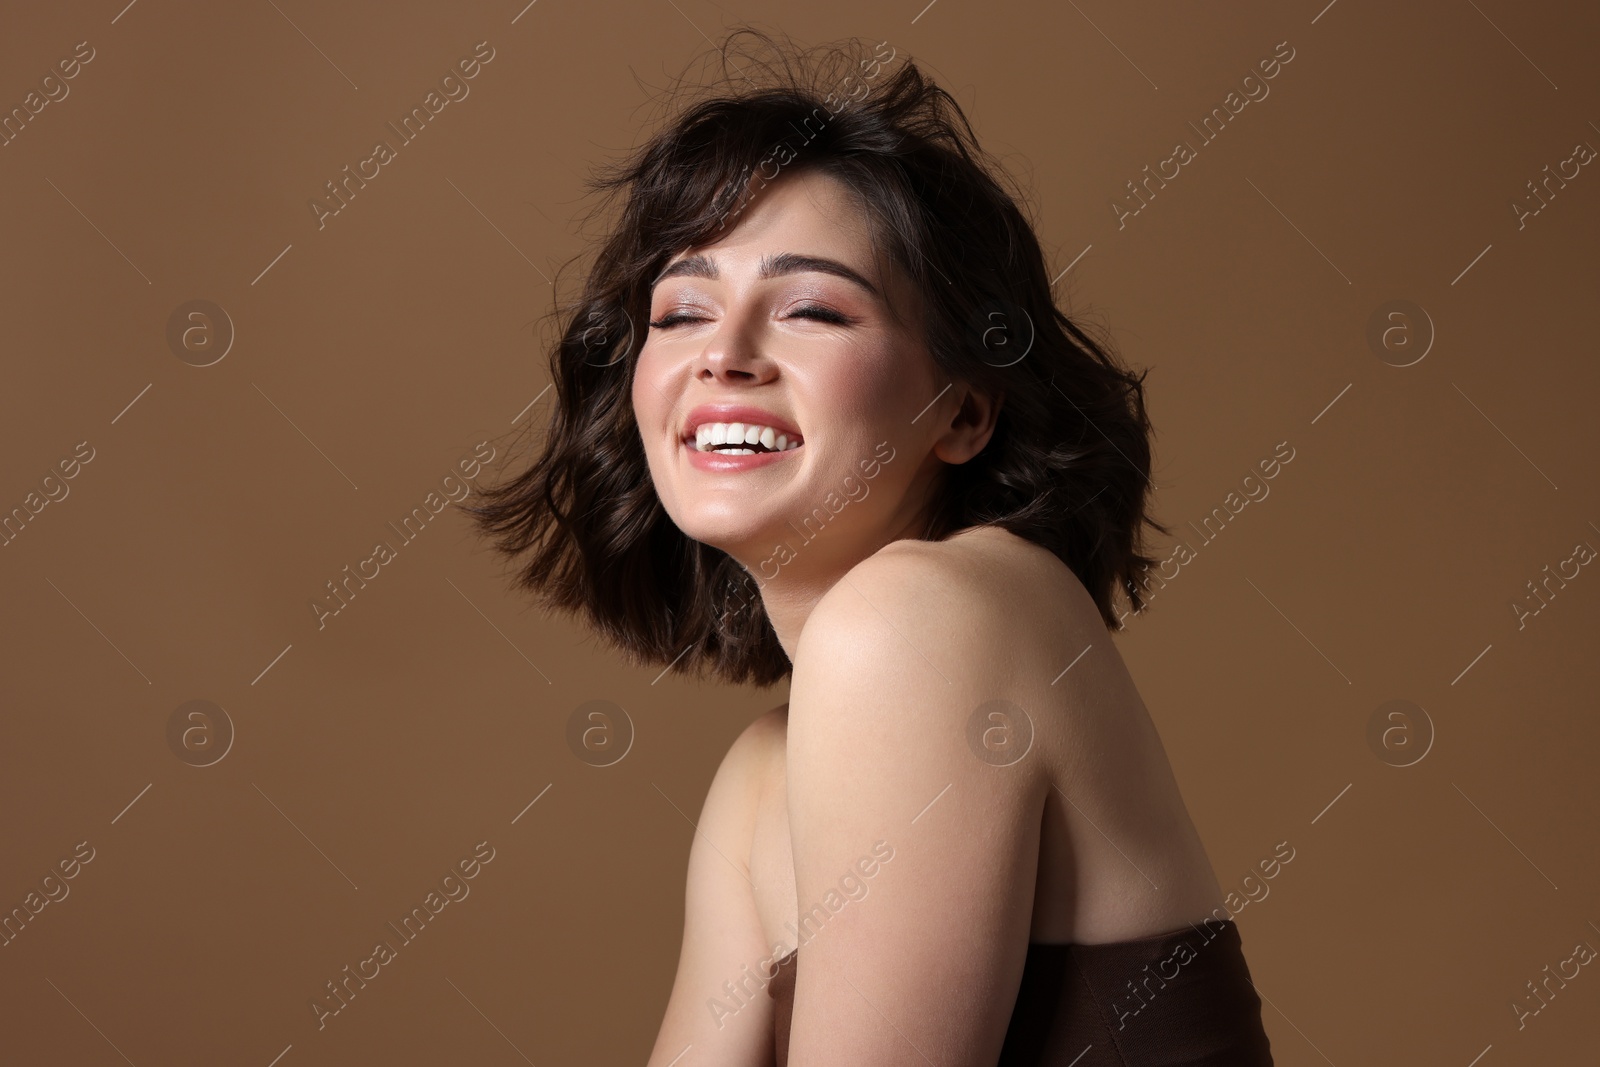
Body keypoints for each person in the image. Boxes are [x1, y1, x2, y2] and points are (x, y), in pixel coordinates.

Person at [466, 29, 1274, 1066]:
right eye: (680, 311)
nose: (724, 355)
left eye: (809, 307)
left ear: (965, 409)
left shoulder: (920, 617)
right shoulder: (763, 775)